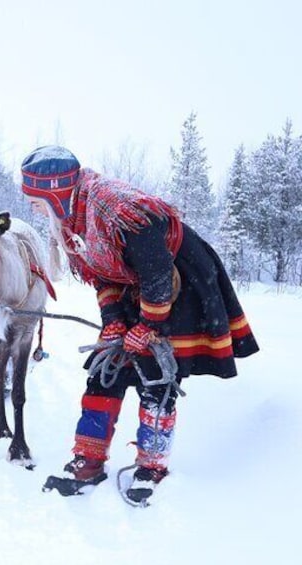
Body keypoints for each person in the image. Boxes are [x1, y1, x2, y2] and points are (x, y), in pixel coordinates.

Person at [20, 145, 259, 504]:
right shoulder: (74, 220)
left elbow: (158, 272)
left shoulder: (120, 210)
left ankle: (152, 467)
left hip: (180, 283)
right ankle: (88, 461)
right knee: (107, 371)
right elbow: (101, 275)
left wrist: (147, 325)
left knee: (157, 374)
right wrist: (114, 321)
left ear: (55, 192)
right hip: (139, 286)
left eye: (36, 199)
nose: (32, 206)